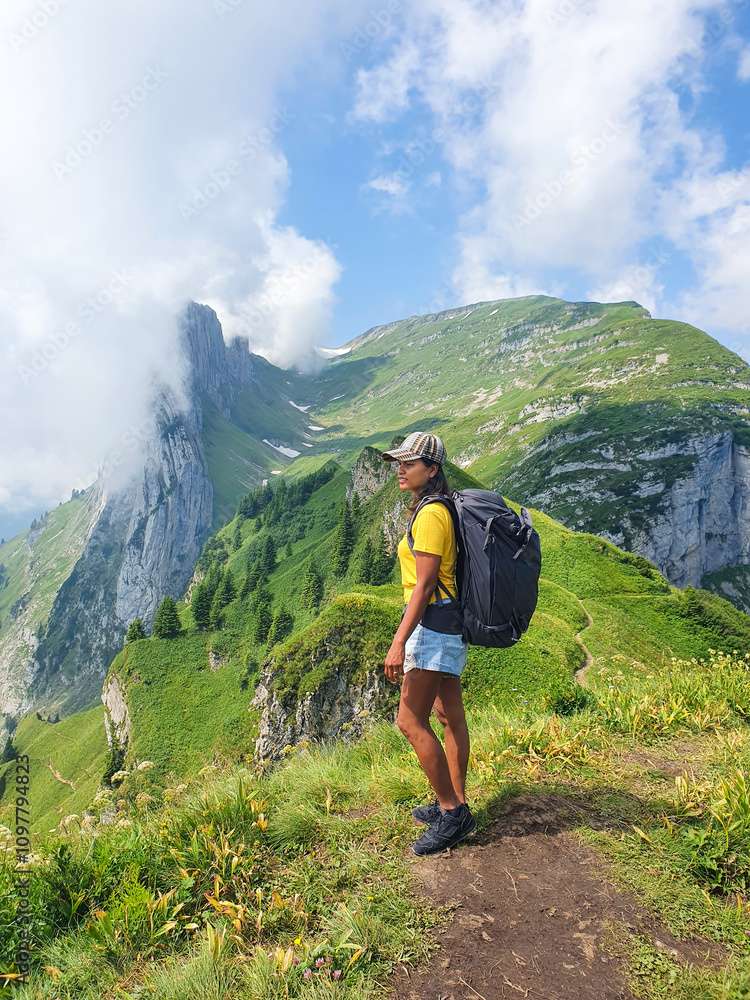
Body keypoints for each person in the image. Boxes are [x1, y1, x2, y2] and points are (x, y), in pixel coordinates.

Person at [381, 431, 475, 856]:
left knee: (409, 721)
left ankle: (452, 812)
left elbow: (425, 585)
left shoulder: (431, 515)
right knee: (448, 715)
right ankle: (456, 803)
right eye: (399, 463)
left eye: (409, 463)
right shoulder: (435, 507)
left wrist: (399, 641)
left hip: (432, 626)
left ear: (432, 469)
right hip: (445, 623)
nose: (400, 470)